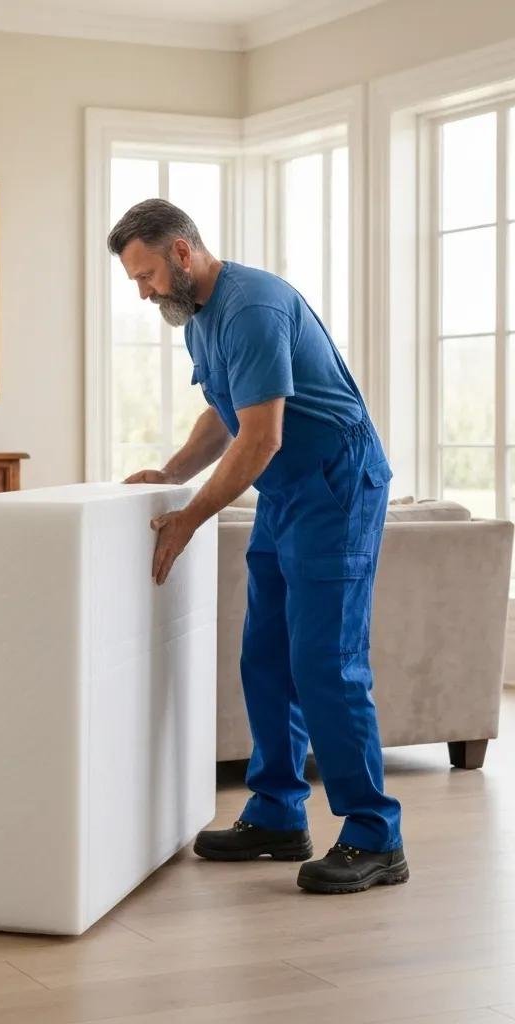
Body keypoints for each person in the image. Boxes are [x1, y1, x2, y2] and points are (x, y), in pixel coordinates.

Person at [111, 198, 407, 895]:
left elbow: (262, 437)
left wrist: (189, 517)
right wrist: (173, 473)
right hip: (284, 492)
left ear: (182, 252)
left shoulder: (252, 308)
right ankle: (277, 814)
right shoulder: (197, 317)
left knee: (327, 662)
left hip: (336, 483)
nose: (144, 290)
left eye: (147, 274)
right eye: (135, 280)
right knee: (265, 654)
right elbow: (226, 410)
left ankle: (375, 835)